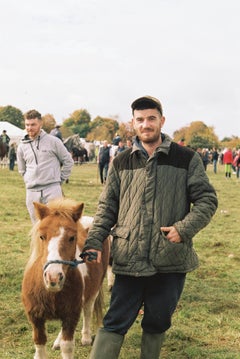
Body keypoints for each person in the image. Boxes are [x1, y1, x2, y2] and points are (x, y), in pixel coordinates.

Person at [81, 96, 218, 358]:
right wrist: (93, 242)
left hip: (169, 258)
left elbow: (207, 200)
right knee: (114, 321)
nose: (146, 124)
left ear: (162, 121)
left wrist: (184, 228)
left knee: (157, 321)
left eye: (151, 118)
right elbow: (107, 207)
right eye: (140, 120)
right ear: (133, 123)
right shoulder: (121, 162)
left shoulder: (186, 159)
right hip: (129, 256)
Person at [17, 110, 74, 223]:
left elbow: (68, 161)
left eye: (33, 124)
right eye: (27, 125)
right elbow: (22, 170)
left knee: (56, 226)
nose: (29, 128)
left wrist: (59, 180)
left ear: (40, 124)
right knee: (38, 228)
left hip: (52, 190)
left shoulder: (54, 142)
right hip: (32, 192)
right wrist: (29, 180)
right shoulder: (21, 147)